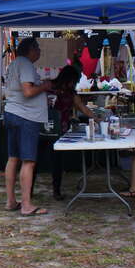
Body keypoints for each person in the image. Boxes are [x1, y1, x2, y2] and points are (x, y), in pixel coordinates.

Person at [3, 37, 52, 216]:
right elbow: (28, 91)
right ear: (30, 49)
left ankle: (10, 201)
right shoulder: (25, 64)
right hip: (26, 117)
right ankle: (26, 205)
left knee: (13, 158)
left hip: (13, 113)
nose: (39, 52)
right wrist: (45, 86)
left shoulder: (15, 63)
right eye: (37, 48)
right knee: (28, 161)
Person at [47, 65, 96, 200]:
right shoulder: (50, 87)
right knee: (46, 161)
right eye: (74, 80)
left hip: (59, 129)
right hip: (47, 127)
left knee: (57, 162)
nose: (74, 84)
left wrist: (96, 118)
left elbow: (83, 108)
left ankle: (56, 190)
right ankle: (48, 190)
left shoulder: (70, 93)